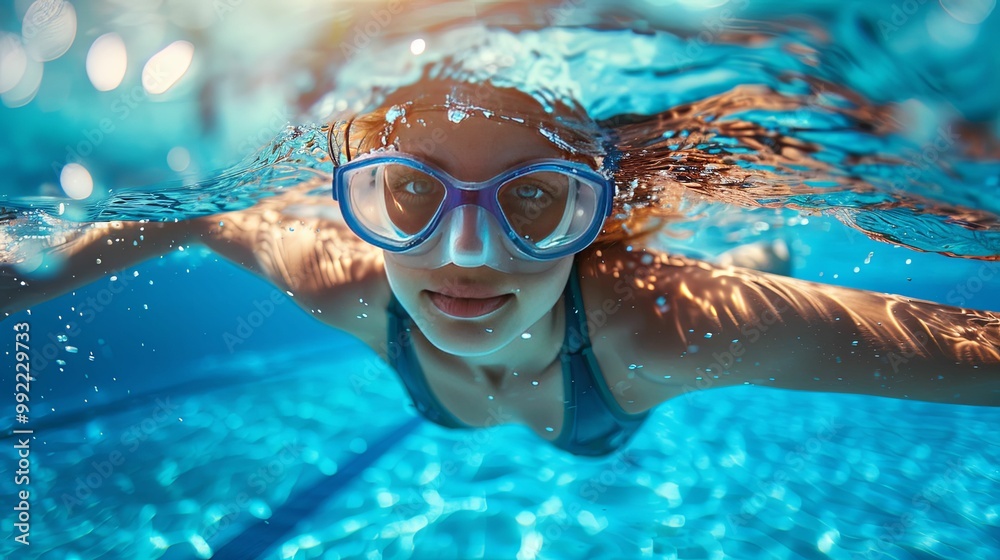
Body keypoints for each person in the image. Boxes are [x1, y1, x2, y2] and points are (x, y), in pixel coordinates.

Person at [3, 79, 998, 456]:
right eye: (408, 192)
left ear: (588, 203)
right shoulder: (335, 271)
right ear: (360, 197)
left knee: (730, 282)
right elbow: (186, 217)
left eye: (533, 197)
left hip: (620, 364)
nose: (466, 254)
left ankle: (750, 252)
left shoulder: (664, 326)